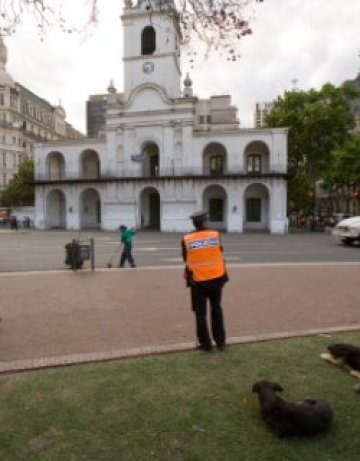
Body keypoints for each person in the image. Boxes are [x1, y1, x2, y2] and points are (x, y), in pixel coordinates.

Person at [182, 210, 229, 352]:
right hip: (216, 277)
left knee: (200, 314)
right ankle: (220, 341)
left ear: (194, 224)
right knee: (216, 309)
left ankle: (206, 344)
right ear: (205, 222)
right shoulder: (215, 235)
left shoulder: (187, 239)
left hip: (198, 281)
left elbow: (185, 258)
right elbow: (220, 251)